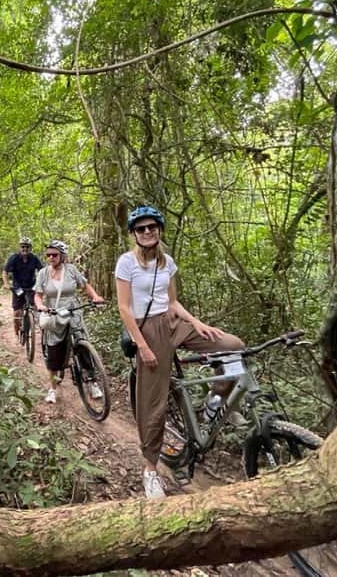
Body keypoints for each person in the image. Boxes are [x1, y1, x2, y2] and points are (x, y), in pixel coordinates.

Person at [115, 206, 244, 500]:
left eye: (152, 227)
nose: (147, 232)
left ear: (159, 229)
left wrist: (196, 323)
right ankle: (150, 470)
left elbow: (172, 302)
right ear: (134, 234)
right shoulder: (127, 263)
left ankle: (216, 400)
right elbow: (124, 308)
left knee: (233, 346)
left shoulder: (167, 261)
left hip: (174, 322)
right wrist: (144, 346)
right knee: (154, 404)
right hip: (147, 329)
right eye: (141, 229)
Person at [34, 240, 105, 404]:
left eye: (55, 255)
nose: (51, 257)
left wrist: (95, 297)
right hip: (54, 313)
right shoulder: (43, 273)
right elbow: (37, 294)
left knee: (82, 344)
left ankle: (92, 382)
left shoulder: (71, 270)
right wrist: (40, 305)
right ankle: (53, 388)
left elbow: (85, 285)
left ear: (62, 256)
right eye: (48, 255)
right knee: (54, 351)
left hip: (73, 310)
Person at [2, 236, 43, 341]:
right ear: (20, 248)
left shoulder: (34, 258)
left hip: (31, 286)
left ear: (30, 248)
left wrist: (42, 283)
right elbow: (5, 271)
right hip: (18, 287)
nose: (25, 249)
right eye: (23, 247)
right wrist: (6, 283)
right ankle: (17, 333)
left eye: (27, 247)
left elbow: (42, 271)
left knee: (37, 307)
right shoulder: (14, 258)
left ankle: (34, 325)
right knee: (17, 312)